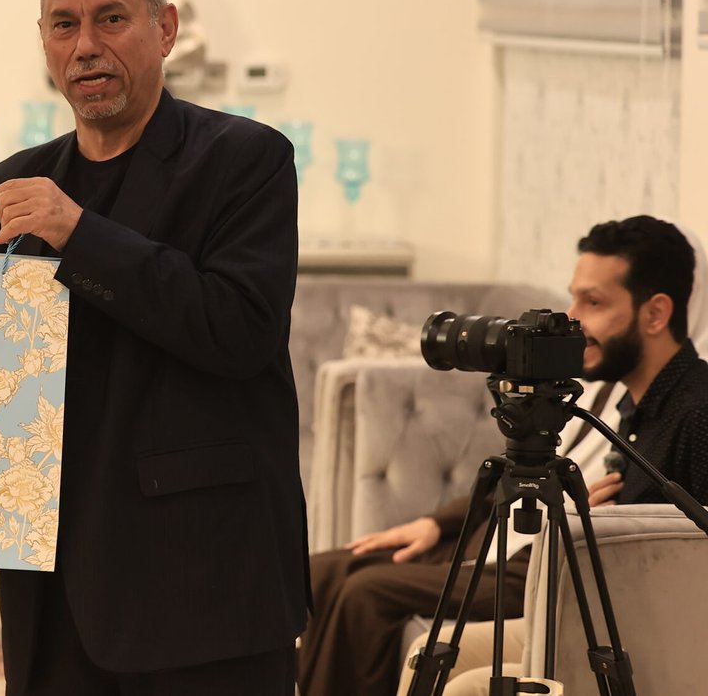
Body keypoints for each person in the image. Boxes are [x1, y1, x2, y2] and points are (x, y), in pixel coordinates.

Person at [0, 0, 307, 695]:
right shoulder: (8, 189)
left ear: (165, 28)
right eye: (64, 25)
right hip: (51, 595)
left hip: (204, 588)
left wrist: (78, 233)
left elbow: (239, 330)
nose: (86, 45)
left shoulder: (247, 161)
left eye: (111, 18)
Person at [302, 214, 708, 696]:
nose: (572, 319)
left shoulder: (695, 412)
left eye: (594, 302)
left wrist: (599, 526)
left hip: (585, 593)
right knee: (323, 570)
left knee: (368, 597)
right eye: (574, 298)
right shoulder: (627, 397)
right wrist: (436, 523)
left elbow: (684, 560)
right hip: (546, 560)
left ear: (655, 314)